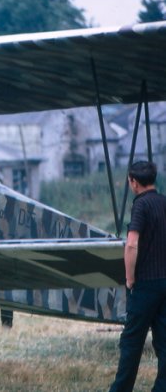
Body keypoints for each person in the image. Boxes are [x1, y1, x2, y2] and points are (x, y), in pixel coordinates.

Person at [109, 160, 166, 391]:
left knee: (131, 342)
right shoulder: (164, 202)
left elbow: (132, 244)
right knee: (164, 343)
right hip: (165, 282)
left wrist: (130, 278)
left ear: (133, 182)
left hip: (145, 284)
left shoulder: (140, 205)